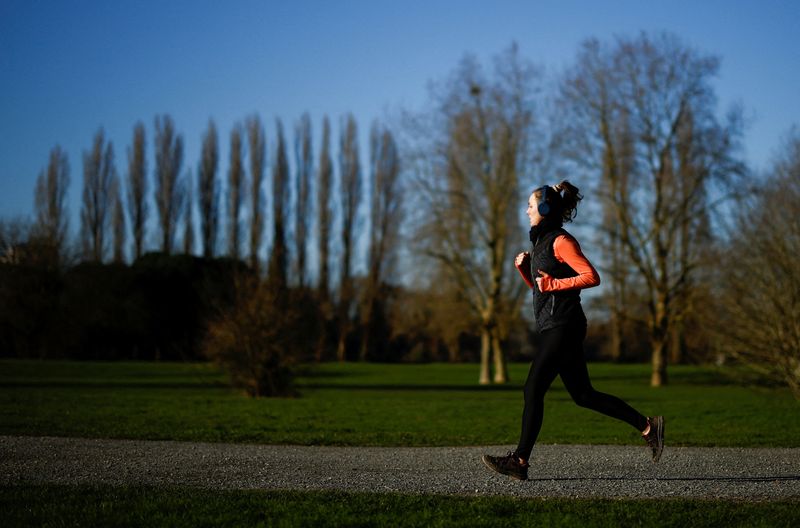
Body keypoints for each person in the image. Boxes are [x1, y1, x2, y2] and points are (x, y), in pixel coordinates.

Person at [482, 181, 664, 481]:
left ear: (543, 209)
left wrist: (554, 283)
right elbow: (544, 294)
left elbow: (591, 276)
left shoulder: (561, 241)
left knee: (533, 389)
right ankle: (648, 427)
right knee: (583, 394)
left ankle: (520, 461)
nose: (526, 210)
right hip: (557, 325)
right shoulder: (540, 243)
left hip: (564, 327)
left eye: (531, 205)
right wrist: (525, 272)